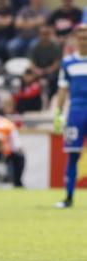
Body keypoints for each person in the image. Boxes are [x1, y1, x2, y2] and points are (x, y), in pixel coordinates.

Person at [54, 23, 87, 208]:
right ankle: (68, 197)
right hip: (75, 112)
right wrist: (58, 112)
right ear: (75, 38)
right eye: (81, 35)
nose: (84, 38)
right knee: (72, 155)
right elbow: (62, 89)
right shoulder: (68, 62)